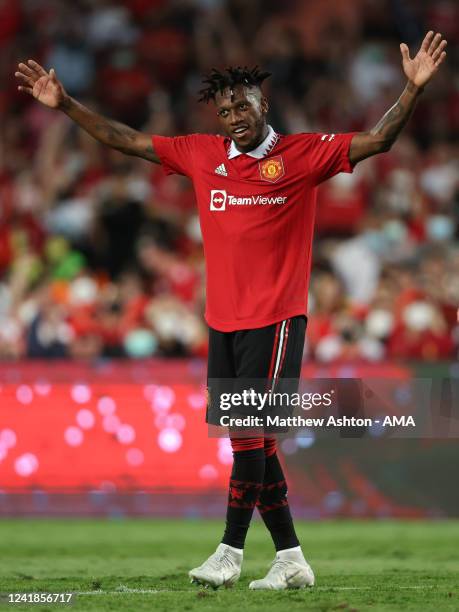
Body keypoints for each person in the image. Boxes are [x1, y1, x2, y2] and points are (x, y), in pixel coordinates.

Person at [15, 30, 447, 590]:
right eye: (225, 110)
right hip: (222, 322)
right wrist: (67, 104)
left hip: (276, 321)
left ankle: (230, 551)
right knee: (256, 443)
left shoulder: (302, 155)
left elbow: (379, 139)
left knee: (246, 435)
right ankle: (291, 557)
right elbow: (127, 140)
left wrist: (410, 91)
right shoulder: (202, 156)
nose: (234, 116)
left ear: (263, 104)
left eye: (242, 105)